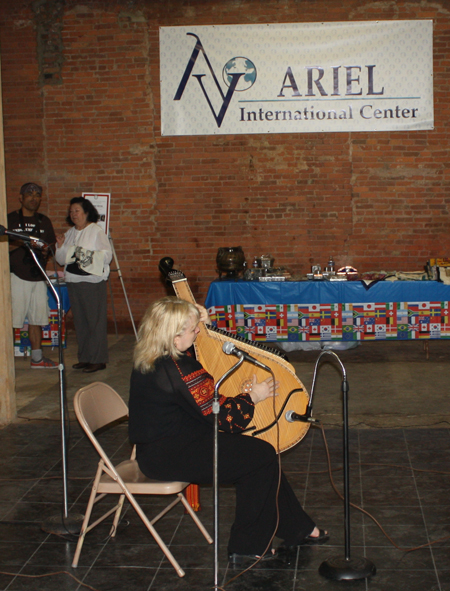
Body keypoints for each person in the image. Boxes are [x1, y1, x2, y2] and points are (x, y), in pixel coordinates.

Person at [128, 296, 328, 565]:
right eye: (192, 329)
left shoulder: (153, 355)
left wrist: (204, 327)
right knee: (260, 457)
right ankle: (247, 546)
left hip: (164, 446)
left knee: (261, 455)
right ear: (174, 337)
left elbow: (199, 386)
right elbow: (227, 420)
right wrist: (253, 397)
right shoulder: (179, 369)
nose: (198, 331)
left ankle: (298, 528)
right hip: (168, 456)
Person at [55, 197, 112, 373]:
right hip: (73, 281)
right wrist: (61, 246)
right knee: (80, 322)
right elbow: (60, 260)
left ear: (87, 212)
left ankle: (98, 359)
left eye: (77, 211)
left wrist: (82, 254)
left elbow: (107, 255)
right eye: (71, 211)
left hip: (91, 282)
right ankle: (85, 358)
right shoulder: (70, 232)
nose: (73, 214)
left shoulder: (96, 231)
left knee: (95, 322)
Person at [8, 182, 57, 369]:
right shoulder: (10, 219)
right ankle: (6, 360)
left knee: (38, 318)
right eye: (29, 194)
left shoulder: (44, 221)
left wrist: (46, 248)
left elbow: (50, 247)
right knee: (12, 320)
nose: (33, 198)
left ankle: (37, 358)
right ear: (21, 198)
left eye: (37, 194)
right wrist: (22, 243)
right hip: (16, 276)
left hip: (38, 276)